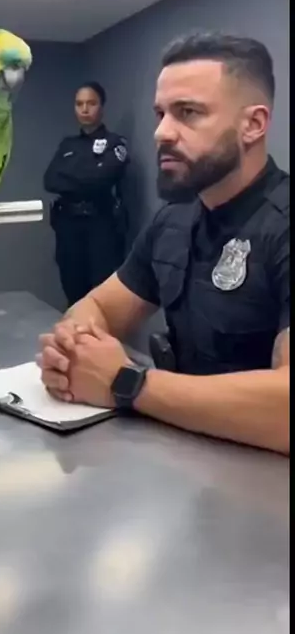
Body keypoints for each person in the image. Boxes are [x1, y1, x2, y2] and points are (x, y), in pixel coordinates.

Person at [38, 32, 289, 455]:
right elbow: (97, 307)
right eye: (160, 114)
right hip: (184, 462)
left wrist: (127, 382)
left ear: (253, 124)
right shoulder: (173, 220)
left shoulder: (281, 225)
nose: (161, 132)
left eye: (187, 113)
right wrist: (73, 353)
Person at [43, 82, 129, 306]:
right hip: (68, 226)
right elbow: (50, 180)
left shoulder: (114, 143)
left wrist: (71, 175)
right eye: (79, 104)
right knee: (72, 290)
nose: (84, 109)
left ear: (102, 107)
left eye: (91, 103)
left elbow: (100, 180)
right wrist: (88, 173)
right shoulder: (68, 145)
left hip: (99, 225)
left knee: (101, 295)